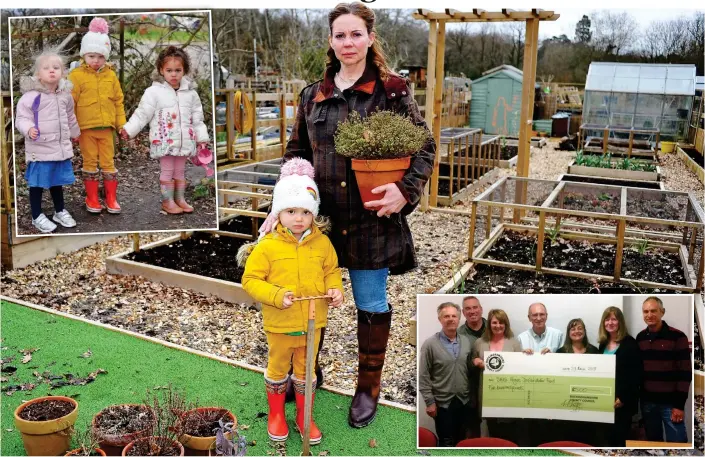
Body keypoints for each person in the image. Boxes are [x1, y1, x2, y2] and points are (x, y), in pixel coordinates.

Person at [260, 2, 435, 428]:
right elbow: (296, 153)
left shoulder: (392, 91)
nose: (348, 42)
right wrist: (285, 204)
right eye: (340, 35)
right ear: (331, 41)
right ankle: (305, 373)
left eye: (356, 34)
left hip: (372, 221)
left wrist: (404, 190)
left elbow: (425, 146)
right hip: (317, 224)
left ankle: (367, 388)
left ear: (370, 38)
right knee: (307, 298)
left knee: (371, 303)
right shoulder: (312, 96)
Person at [239, 158, 344, 444]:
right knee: (278, 368)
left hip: (313, 322)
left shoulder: (322, 243)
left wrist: (335, 290)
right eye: (291, 211)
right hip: (280, 324)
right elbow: (250, 280)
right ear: (278, 213)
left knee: (306, 370)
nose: (298, 218)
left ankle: (303, 415)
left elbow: (332, 271)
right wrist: (275, 296)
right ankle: (276, 415)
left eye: (305, 212)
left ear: (314, 214)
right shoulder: (268, 246)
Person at [121, 46, 209, 215]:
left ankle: (180, 199)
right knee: (167, 171)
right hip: (164, 141)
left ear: (184, 70)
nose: (173, 74)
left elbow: (197, 119)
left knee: (180, 171)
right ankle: (167, 201)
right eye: (169, 70)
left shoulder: (191, 94)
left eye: (178, 70)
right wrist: (129, 130)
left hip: (185, 142)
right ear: (161, 70)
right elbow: (142, 114)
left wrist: (202, 138)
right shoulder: (153, 92)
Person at [15, 49, 80, 233]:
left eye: (56, 67)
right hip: (40, 147)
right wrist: (28, 129)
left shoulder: (65, 96)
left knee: (56, 180)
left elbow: (70, 116)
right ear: (38, 73)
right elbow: (21, 118)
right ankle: (37, 215)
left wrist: (75, 132)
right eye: (46, 68)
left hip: (58, 147)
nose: (52, 70)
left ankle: (59, 210)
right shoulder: (31, 97)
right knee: (37, 183)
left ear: (63, 72)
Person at [68, 17, 126, 214]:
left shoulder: (111, 75)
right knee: (90, 162)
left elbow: (118, 101)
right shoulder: (76, 76)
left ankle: (111, 197)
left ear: (106, 57)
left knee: (109, 162)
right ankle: (92, 197)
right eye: (91, 56)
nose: (96, 60)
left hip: (106, 129)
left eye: (100, 57)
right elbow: (70, 104)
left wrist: (121, 125)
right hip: (86, 129)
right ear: (84, 55)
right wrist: (73, 129)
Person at [419, 303, 477, 447]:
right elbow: (423, 375)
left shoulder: (466, 341)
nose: (451, 319)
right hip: (442, 403)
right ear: (440, 319)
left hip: (464, 400)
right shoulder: (430, 344)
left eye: (454, 316)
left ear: (459, 318)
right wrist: (429, 402)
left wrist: (475, 363)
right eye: (446, 316)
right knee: (447, 441)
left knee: (462, 439)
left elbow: (467, 369)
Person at [636, 296, 691, 443]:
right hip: (647, 404)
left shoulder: (678, 337)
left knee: (677, 444)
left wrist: (679, 405)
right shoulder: (640, 338)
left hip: (671, 404)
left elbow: (685, 373)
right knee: (654, 443)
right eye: (645, 311)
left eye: (653, 311)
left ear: (662, 312)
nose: (649, 315)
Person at [470, 309, 524, 445]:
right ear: (489, 324)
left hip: (509, 396)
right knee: (493, 436)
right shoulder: (480, 342)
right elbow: (472, 361)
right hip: (488, 396)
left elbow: (521, 367)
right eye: (494, 322)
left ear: (506, 324)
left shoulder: (514, 343)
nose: (498, 326)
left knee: (510, 436)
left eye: (501, 322)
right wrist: (475, 361)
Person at [597, 306, 642, 447]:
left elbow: (636, 376)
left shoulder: (630, 344)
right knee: (605, 439)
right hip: (605, 401)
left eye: (614, 319)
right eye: (607, 319)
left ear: (620, 322)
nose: (610, 322)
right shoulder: (602, 344)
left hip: (622, 403)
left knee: (619, 440)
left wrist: (622, 398)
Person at [555, 318, 601, 445]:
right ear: (568, 333)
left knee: (587, 440)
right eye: (573, 328)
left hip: (589, 406)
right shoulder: (560, 352)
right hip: (566, 407)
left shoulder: (594, 351)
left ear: (585, 331)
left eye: (580, 328)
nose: (577, 331)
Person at [456, 295, 485, 438]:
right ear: (463, 312)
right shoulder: (458, 335)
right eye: (468, 308)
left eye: (475, 307)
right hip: (470, 389)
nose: (472, 311)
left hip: (494, 386)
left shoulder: (495, 328)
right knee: (471, 427)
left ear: (481, 309)